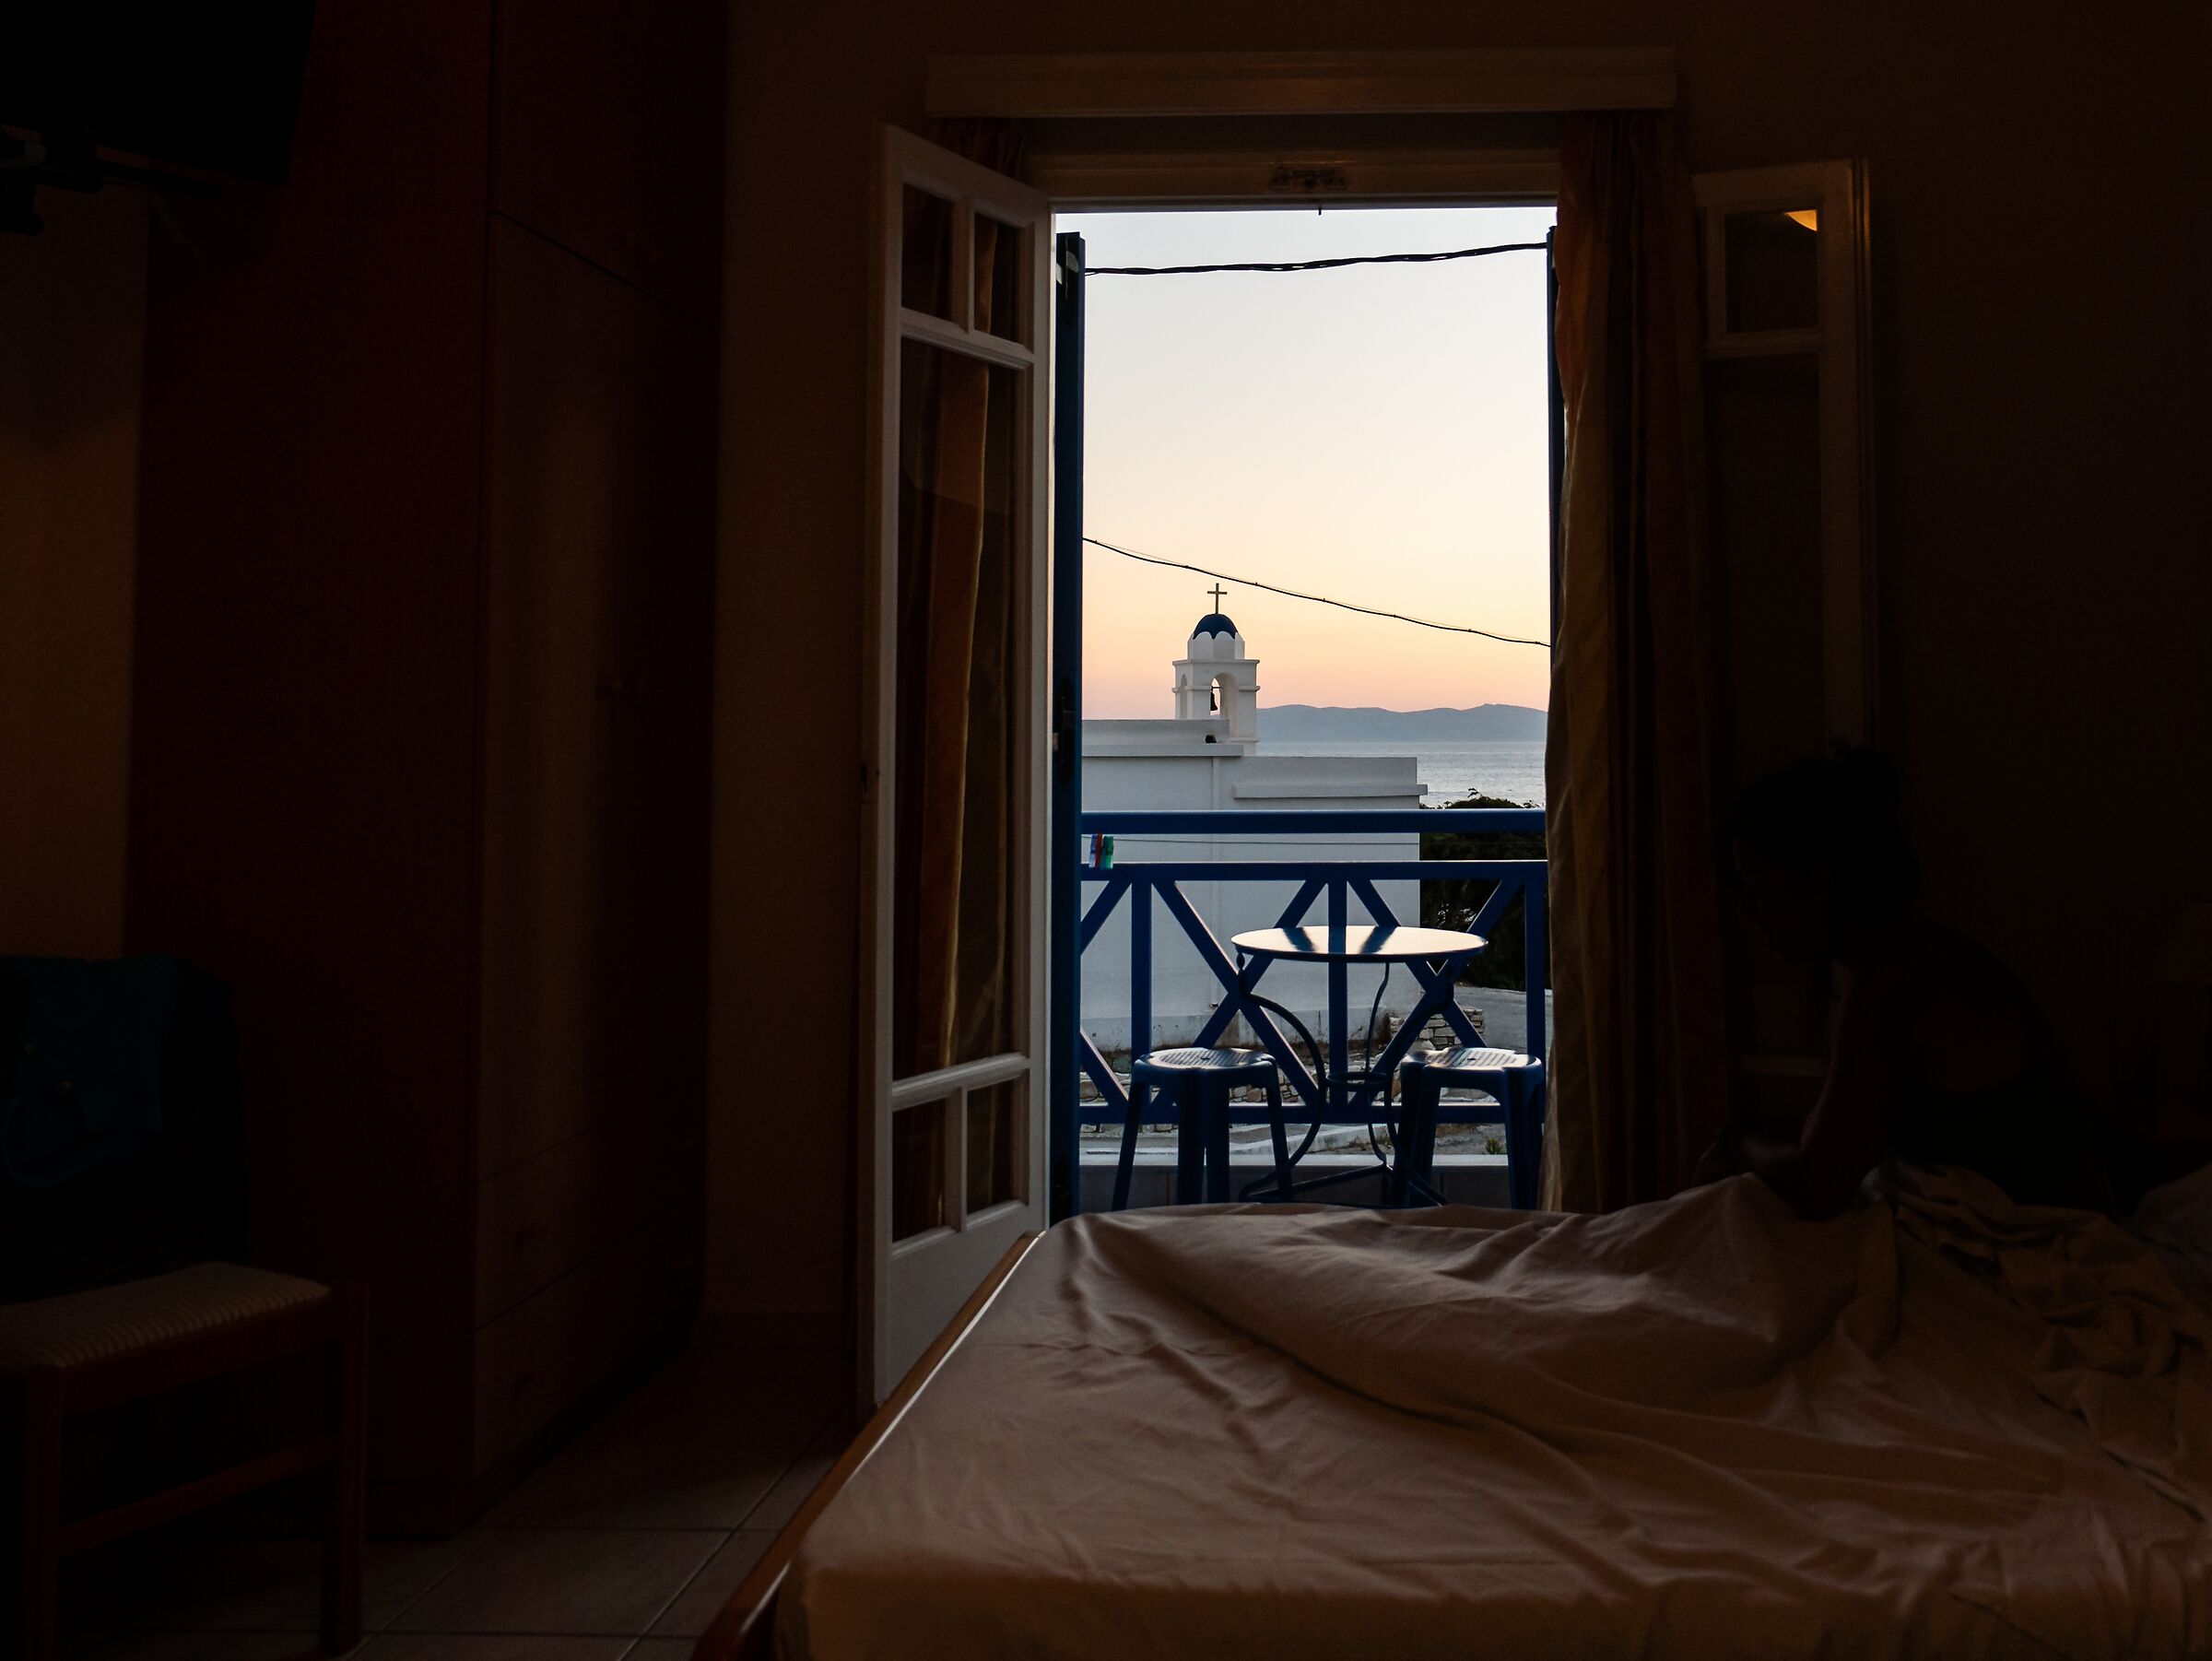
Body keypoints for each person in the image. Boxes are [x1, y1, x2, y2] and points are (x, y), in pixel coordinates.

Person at [1691, 749, 2116, 1218]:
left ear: (1819, 882)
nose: (1748, 913)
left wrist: (1735, 1145)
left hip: (2037, 1231)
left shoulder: (1894, 978)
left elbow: (1818, 1182)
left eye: (1756, 889)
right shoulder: (1907, 959)